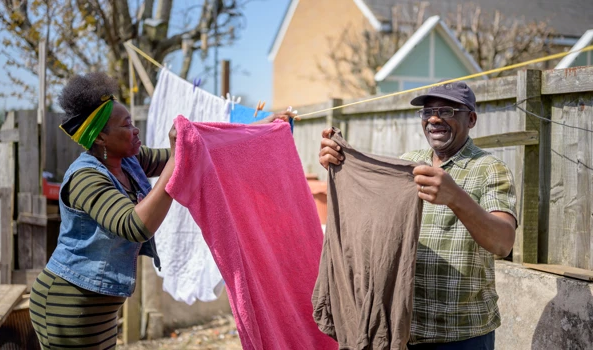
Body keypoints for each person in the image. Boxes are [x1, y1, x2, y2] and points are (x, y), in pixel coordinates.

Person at [29, 72, 296, 349]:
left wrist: (260, 127)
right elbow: (135, 225)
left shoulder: (128, 162)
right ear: (100, 139)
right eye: (127, 124)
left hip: (97, 307)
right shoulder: (86, 178)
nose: (136, 130)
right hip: (67, 303)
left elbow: (196, 152)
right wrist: (175, 162)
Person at [318, 81, 517, 349]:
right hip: (402, 331)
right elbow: (374, 217)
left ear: (470, 119)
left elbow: (503, 243)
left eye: (447, 111)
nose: (434, 118)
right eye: (427, 112)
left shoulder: (490, 169)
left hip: (461, 335)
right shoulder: (410, 162)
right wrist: (340, 167)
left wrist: (456, 198)